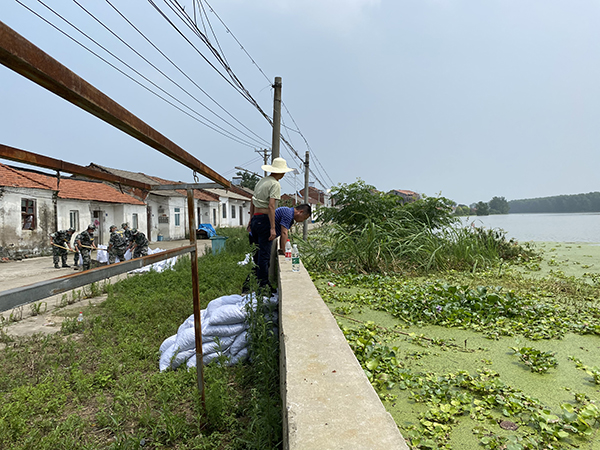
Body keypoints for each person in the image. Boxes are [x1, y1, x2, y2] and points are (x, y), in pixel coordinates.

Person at [247, 157, 294, 289]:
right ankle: (263, 285)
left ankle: (254, 282)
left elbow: (252, 200)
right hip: (264, 220)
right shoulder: (275, 184)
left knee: (256, 254)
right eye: (283, 172)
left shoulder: (262, 181)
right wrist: (273, 228)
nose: (284, 174)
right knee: (264, 255)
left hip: (256, 219)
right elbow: (272, 206)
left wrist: (250, 221)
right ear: (280, 172)